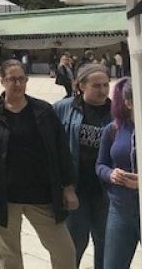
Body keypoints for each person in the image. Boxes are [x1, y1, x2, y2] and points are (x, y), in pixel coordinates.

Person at [0, 59, 78, 269]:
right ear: (2, 81)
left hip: (42, 195)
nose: (17, 84)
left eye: (21, 79)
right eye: (12, 80)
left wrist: (69, 187)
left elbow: (62, 150)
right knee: (10, 257)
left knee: (65, 251)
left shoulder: (43, 111)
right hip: (4, 196)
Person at [53, 64, 112, 268]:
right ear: (81, 86)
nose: (103, 90)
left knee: (106, 244)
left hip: (105, 192)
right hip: (75, 190)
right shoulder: (63, 108)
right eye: (96, 85)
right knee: (74, 244)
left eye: (106, 84)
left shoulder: (117, 111)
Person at [96, 78, 139, 269]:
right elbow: (100, 165)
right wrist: (111, 174)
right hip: (121, 210)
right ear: (128, 103)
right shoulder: (113, 130)